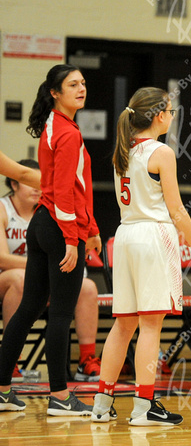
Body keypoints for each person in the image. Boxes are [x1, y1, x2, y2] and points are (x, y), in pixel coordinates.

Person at [91, 87, 191, 426]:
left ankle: (102, 403)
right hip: (152, 236)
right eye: (171, 110)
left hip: (125, 236)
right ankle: (143, 405)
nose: (173, 116)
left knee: (123, 325)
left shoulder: (122, 151)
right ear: (159, 115)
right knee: (150, 325)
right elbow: (176, 210)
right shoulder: (160, 151)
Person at [0, 63, 102, 416]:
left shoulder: (53, 126)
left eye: (83, 83)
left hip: (43, 223)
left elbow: (72, 187)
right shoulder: (69, 133)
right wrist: (74, 238)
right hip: (59, 228)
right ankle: (60, 396)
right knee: (59, 314)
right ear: (55, 93)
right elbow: (63, 190)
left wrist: (91, 230)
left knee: (30, 307)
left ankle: (1, 389)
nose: (81, 88)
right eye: (72, 84)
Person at [0, 159, 101, 382]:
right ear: (14, 184)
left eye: (41, 181)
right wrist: (43, 268)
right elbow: (2, 259)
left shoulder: (50, 210)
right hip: (7, 278)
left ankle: (87, 360)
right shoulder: (3, 208)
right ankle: (11, 363)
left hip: (41, 278)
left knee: (87, 287)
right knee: (19, 279)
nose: (38, 187)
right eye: (31, 181)